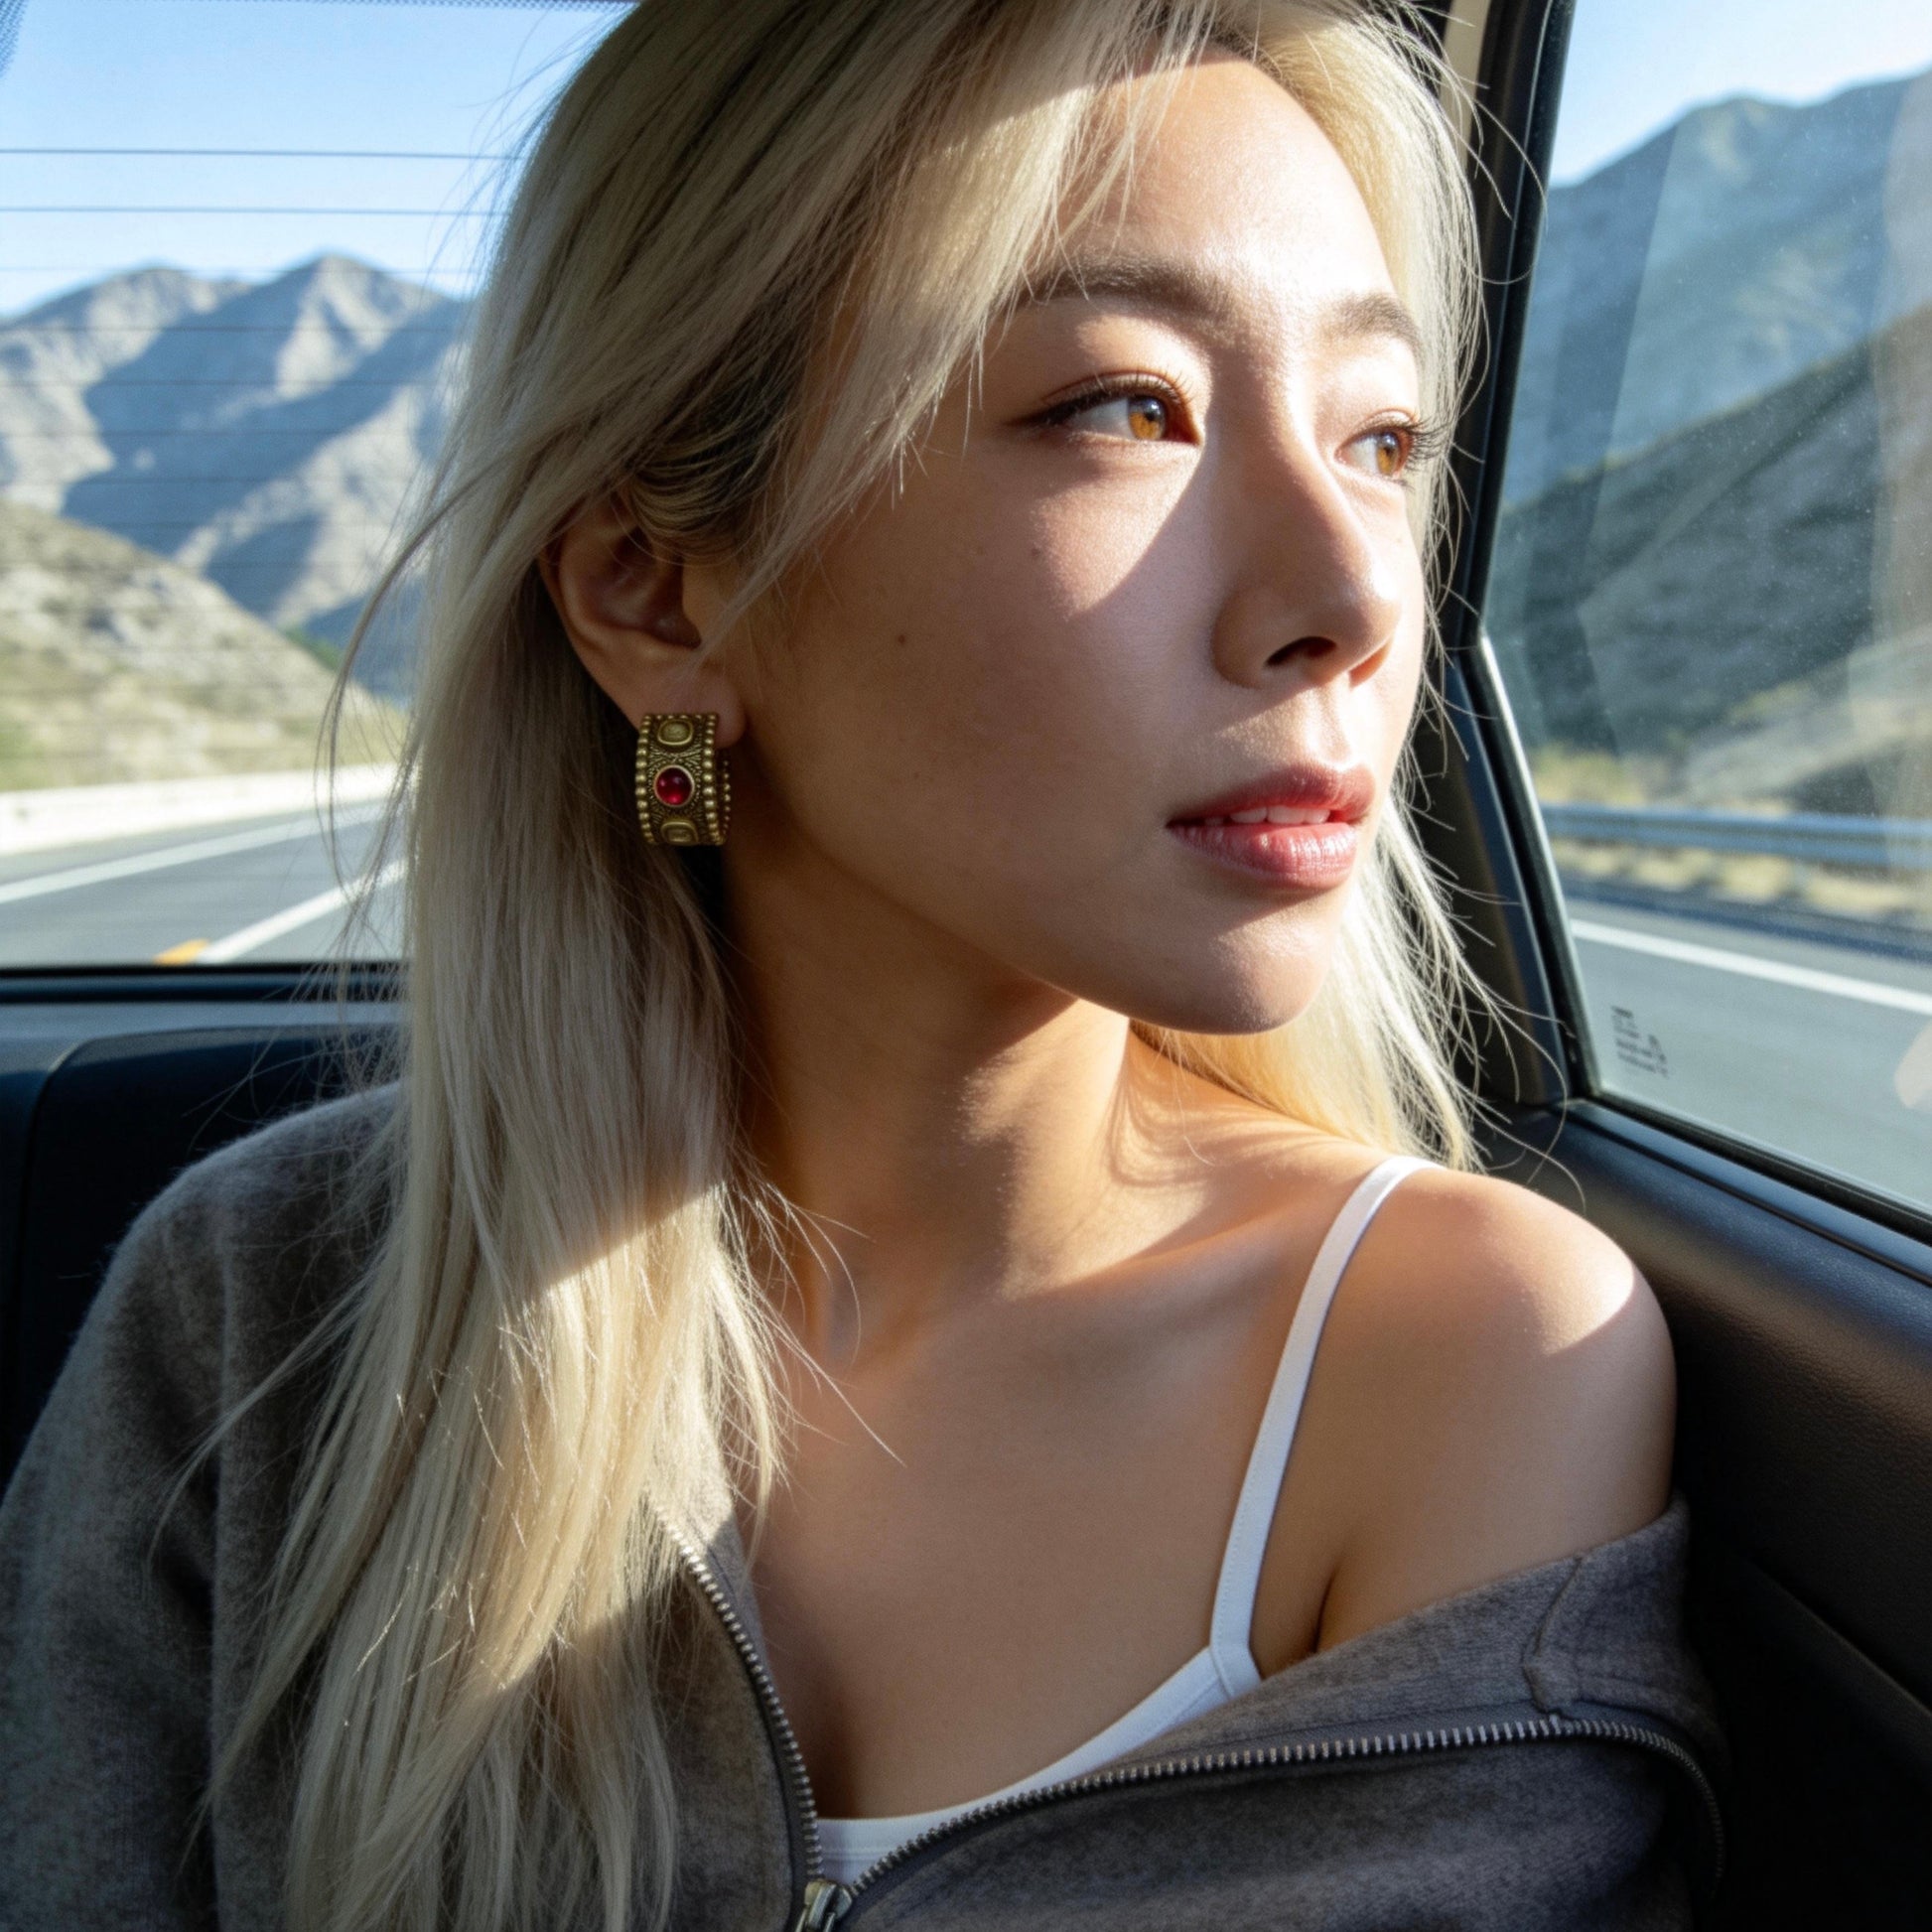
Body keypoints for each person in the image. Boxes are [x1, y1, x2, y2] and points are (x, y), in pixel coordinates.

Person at [0, 2, 1723, 1927]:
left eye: (1380, 436)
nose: (1349, 597)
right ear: (656, 594)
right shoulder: (265, 1311)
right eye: (1123, 407)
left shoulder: (1467, 1354)